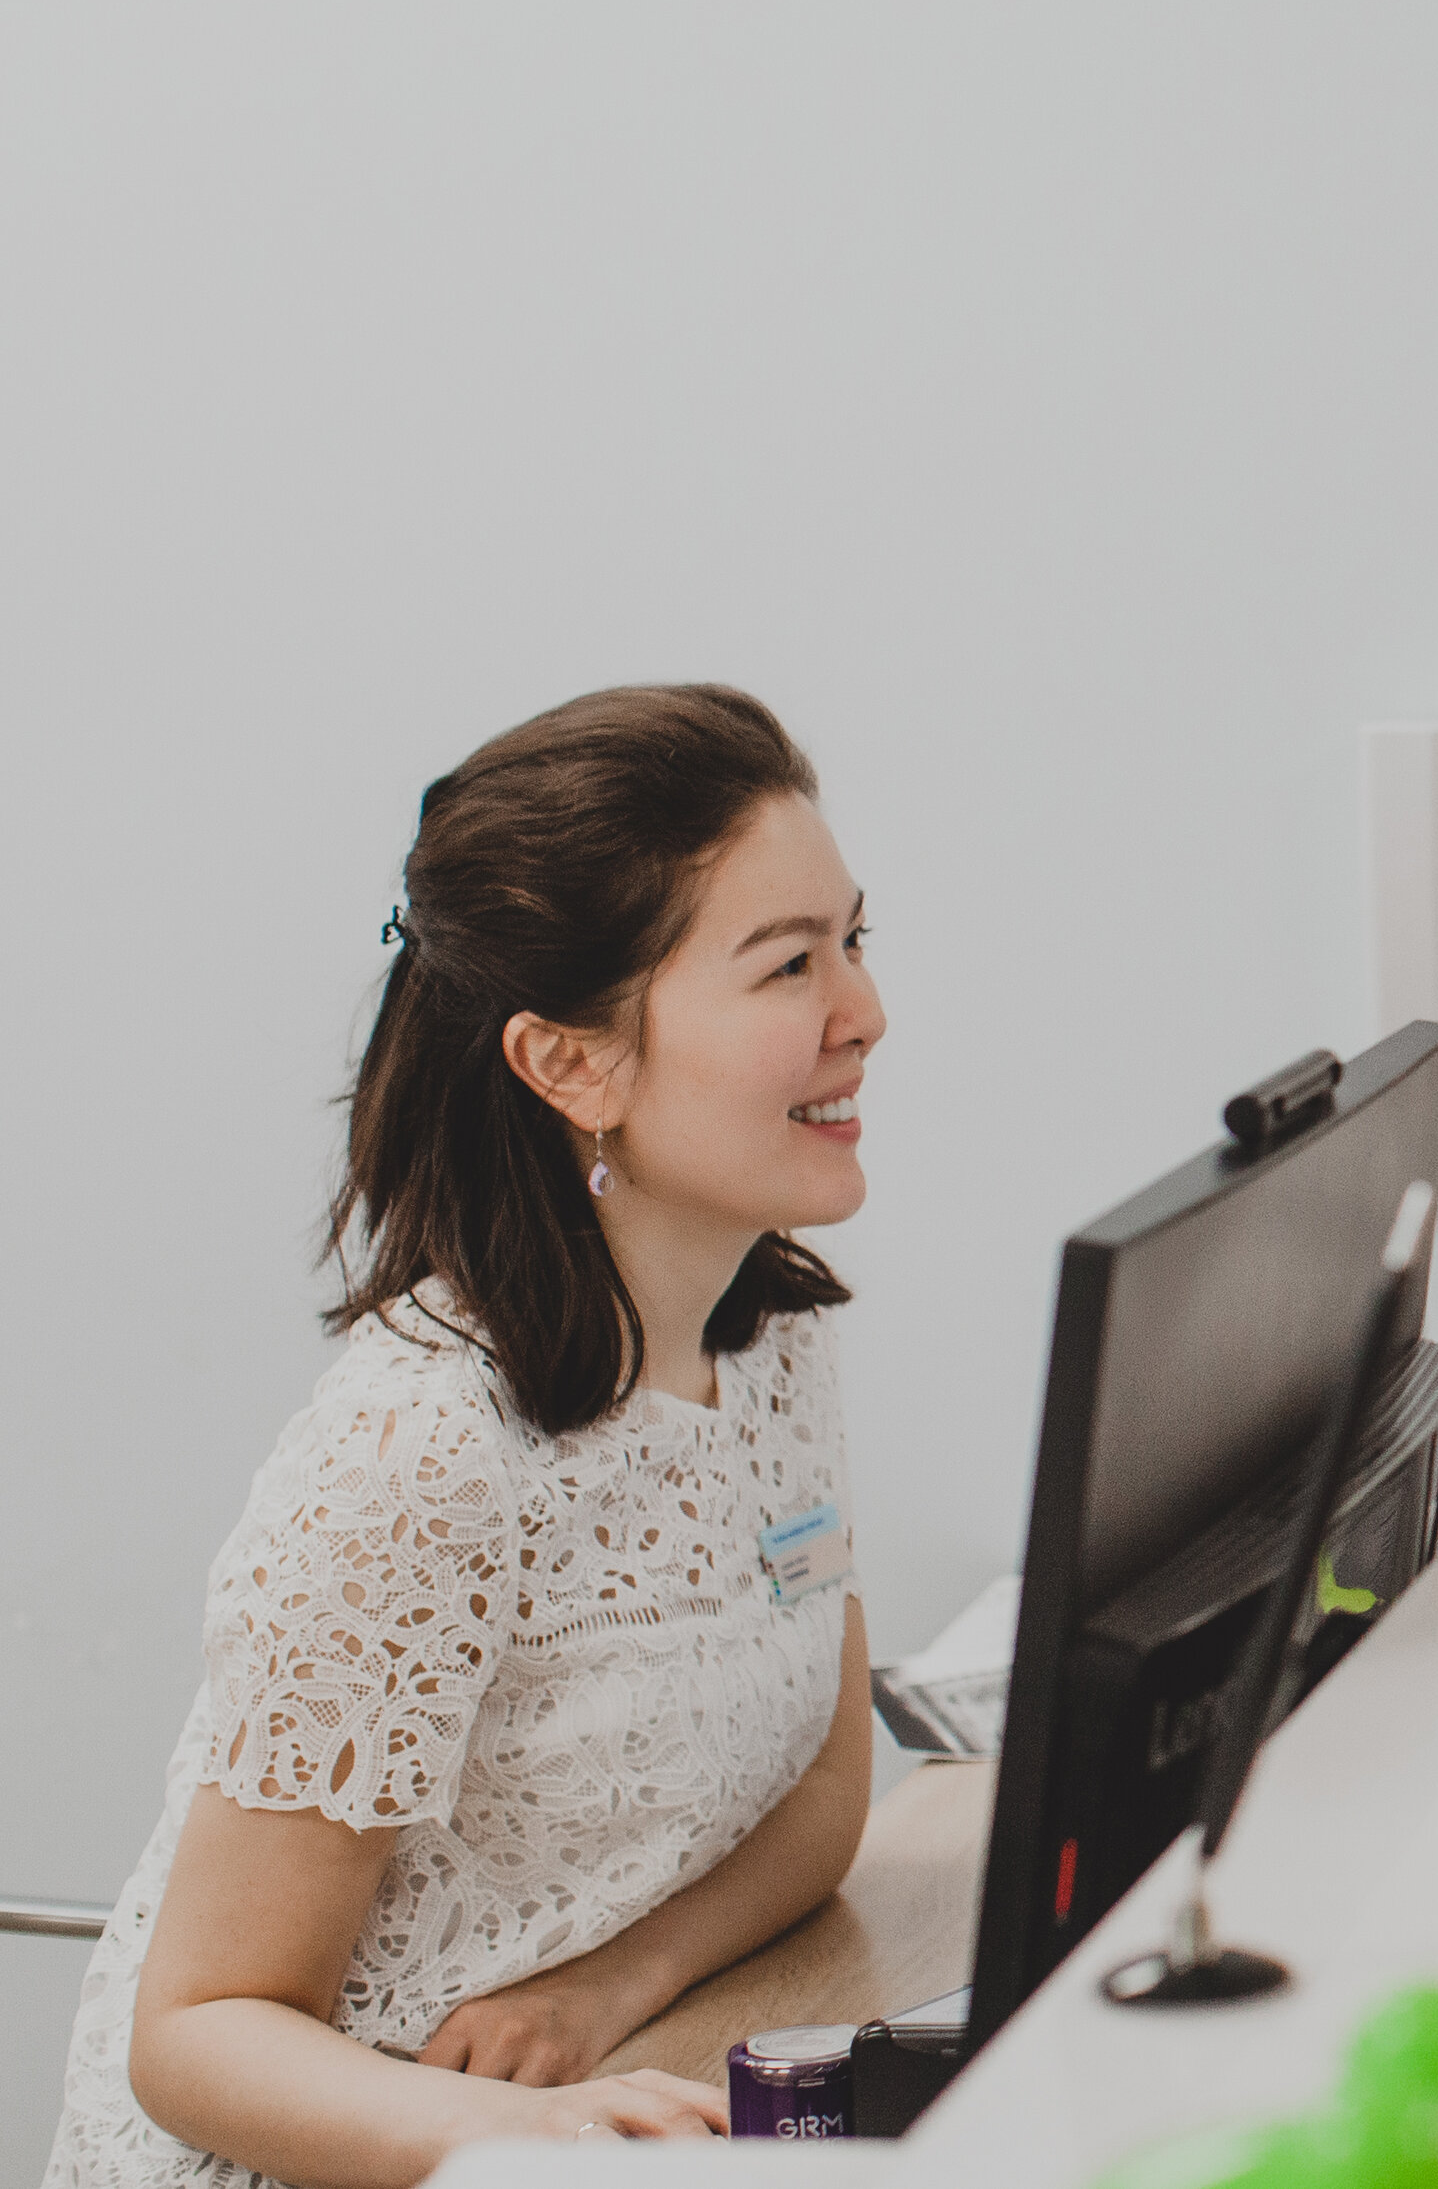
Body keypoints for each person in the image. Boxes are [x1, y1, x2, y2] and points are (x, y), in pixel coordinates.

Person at [49, 685, 888, 2189]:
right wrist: (529, 2126)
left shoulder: (772, 1340)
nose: (863, 1012)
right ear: (572, 1064)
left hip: (604, 2108)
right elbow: (195, 2031)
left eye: (853, 940)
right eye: (788, 966)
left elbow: (822, 1787)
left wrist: (599, 1994)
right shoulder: (418, 1458)